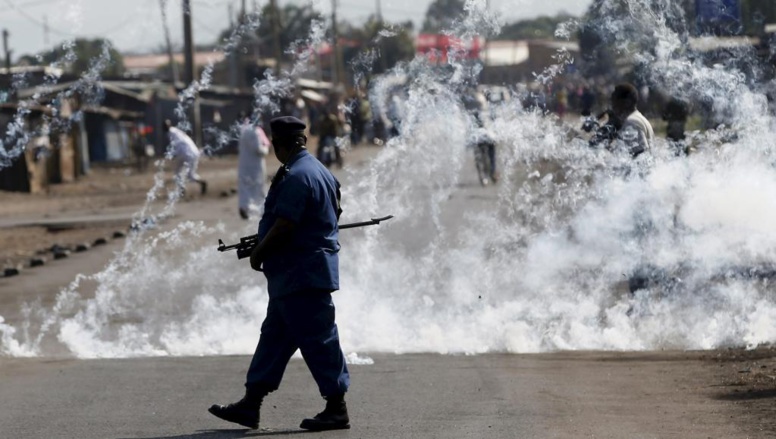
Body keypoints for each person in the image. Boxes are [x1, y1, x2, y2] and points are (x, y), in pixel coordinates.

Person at [208, 116, 350, 432]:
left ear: (278, 144)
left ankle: (337, 407)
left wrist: (259, 252)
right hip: (293, 275)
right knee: (274, 338)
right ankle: (251, 403)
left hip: (303, 273)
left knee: (319, 340)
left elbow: (285, 224)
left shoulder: (298, 176)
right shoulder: (317, 170)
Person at [237, 113, 271, 219]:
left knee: (245, 187)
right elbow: (258, 150)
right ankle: (262, 210)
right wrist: (266, 149)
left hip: (244, 165)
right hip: (255, 166)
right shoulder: (255, 132)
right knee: (259, 188)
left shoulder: (244, 130)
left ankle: (244, 207)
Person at [609, 83, 654, 158]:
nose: (613, 107)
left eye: (615, 102)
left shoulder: (631, 122)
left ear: (627, 103)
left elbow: (640, 155)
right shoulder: (639, 118)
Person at [164, 120, 207, 196]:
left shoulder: (171, 133)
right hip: (192, 152)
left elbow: (177, 145)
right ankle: (182, 190)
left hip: (186, 153)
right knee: (180, 172)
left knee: (186, 175)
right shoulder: (176, 131)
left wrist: (173, 155)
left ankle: (199, 184)